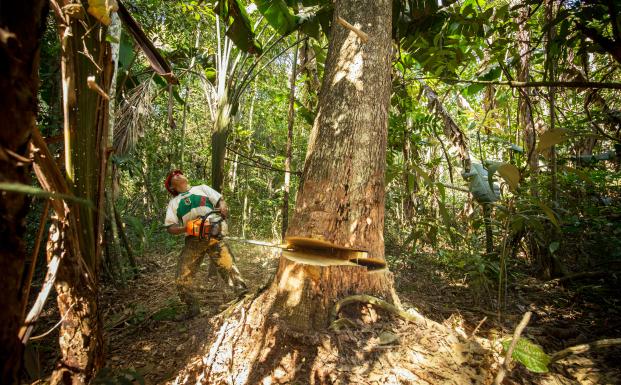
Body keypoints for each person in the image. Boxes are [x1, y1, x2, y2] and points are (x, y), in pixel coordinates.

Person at [164, 170, 247, 320]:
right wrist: (187, 228)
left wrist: (223, 207)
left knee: (228, 265)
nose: (177, 174)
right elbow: (170, 228)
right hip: (193, 240)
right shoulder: (173, 203)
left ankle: (243, 295)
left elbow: (220, 200)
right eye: (174, 175)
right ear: (171, 186)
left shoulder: (201, 188)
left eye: (179, 173)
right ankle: (192, 307)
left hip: (214, 232)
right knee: (182, 276)